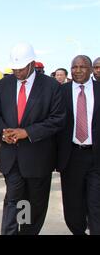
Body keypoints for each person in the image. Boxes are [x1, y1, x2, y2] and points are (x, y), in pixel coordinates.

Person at [0, 42, 65, 235]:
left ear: (32, 64)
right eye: (14, 68)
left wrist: (28, 132)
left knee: (32, 206)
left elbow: (57, 119)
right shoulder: (5, 85)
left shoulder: (51, 87)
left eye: (21, 67)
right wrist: (4, 131)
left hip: (37, 159)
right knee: (13, 201)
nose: (17, 72)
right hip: (12, 158)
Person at [57, 55, 100, 235]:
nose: (78, 70)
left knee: (96, 204)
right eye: (74, 67)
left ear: (90, 69)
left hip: (96, 157)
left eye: (83, 67)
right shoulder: (61, 92)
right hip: (71, 156)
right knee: (73, 206)